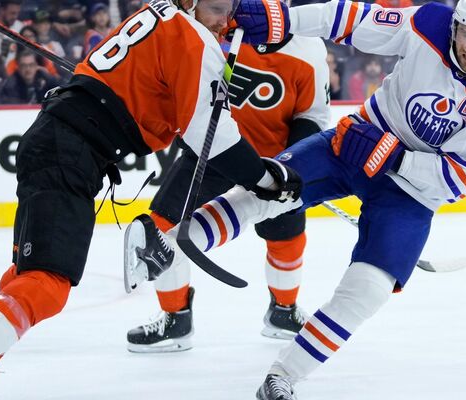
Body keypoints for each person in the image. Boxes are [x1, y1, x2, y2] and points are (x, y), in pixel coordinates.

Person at [0, 0, 291, 398]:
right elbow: (210, 136)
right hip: (71, 150)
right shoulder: (194, 39)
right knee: (48, 285)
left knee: (24, 276)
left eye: (231, 12)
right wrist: (265, 179)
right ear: (190, 2)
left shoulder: (161, 14)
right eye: (218, 10)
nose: (225, 21)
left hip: (56, 138)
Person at [124, 0, 466, 398]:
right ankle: (167, 247)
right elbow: (351, 19)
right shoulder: (430, 23)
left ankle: (283, 376)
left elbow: (459, 178)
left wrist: (395, 156)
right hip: (356, 142)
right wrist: (287, 19)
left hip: (411, 191)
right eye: (465, 32)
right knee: (267, 191)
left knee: (368, 290)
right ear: (455, 24)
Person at [124, 0, 330, 352]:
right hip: (215, 149)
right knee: (159, 226)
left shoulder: (309, 46)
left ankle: (284, 311)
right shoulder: (220, 26)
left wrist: (292, 166)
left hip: (274, 161)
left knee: (286, 236)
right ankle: (176, 319)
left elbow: (312, 115)